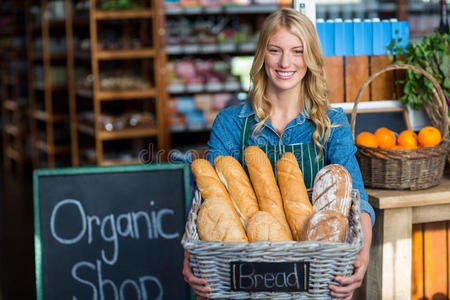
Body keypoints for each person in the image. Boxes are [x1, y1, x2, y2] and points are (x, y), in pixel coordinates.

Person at [182, 7, 374, 300]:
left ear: (310, 59)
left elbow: (357, 200)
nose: (286, 62)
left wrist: (363, 254)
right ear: (262, 56)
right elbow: (208, 203)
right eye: (275, 50)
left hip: (314, 280)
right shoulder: (231, 123)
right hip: (244, 280)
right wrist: (192, 255)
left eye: (297, 51)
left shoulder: (331, 123)